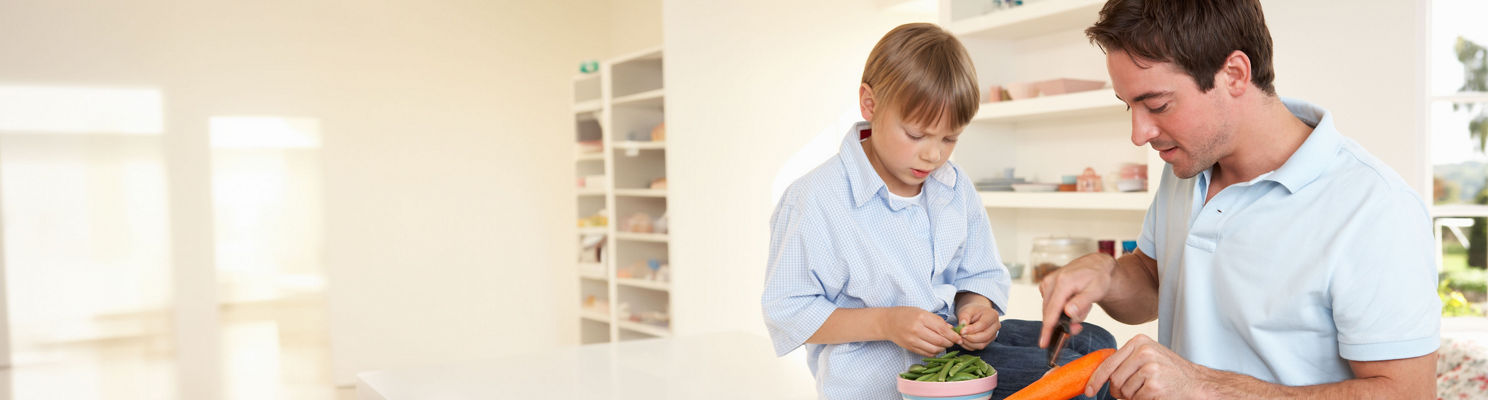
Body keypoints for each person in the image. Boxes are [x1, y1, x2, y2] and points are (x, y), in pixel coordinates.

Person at [1038, 0, 1441, 398]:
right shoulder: (1187, 165)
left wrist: (1202, 386)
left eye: (1157, 104)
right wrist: (1107, 276)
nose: (1139, 133)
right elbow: (1156, 282)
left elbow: (1408, 393)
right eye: (1130, 106)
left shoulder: (1375, 208)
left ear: (1234, 74)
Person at [762, 22, 1114, 400]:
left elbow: (978, 274)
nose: (933, 155)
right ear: (870, 103)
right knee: (1088, 384)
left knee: (1097, 343)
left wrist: (977, 308)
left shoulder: (953, 185)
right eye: (916, 135)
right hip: (881, 379)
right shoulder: (815, 199)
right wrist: (887, 321)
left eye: (950, 138)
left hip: (957, 354)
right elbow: (789, 309)